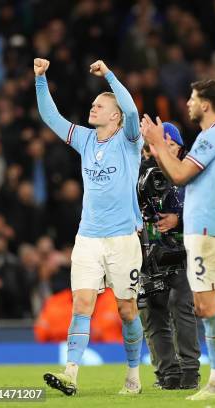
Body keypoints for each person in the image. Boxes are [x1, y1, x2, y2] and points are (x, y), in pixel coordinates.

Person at [35, 58, 144, 395]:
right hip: (88, 238)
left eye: (99, 105)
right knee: (81, 305)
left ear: (115, 116)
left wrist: (110, 74)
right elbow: (51, 117)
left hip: (124, 239)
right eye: (93, 104)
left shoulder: (129, 140)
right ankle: (71, 373)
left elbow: (131, 109)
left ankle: (133, 373)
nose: (92, 108)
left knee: (127, 310)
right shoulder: (84, 140)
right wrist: (41, 78)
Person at [141, 79, 215, 401]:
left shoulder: (214, 137)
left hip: (208, 230)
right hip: (203, 230)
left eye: (193, 99)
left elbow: (179, 176)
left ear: (206, 104)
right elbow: (176, 173)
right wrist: (157, 149)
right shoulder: (207, 138)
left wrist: (157, 140)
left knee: (209, 305)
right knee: (203, 304)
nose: (188, 104)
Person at [138, 122, 201, 390]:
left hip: (183, 252)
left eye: (170, 145)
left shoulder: (192, 177)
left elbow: (208, 211)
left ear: (181, 149)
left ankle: (189, 371)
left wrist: (179, 219)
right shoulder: (137, 176)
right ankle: (167, 373)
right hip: (146, 253)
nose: (162, 150)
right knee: (152, 313)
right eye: (156, 145)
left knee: (181, 307)